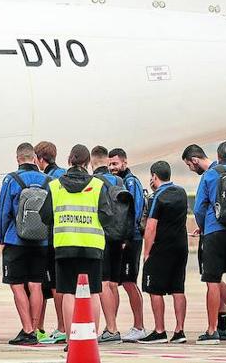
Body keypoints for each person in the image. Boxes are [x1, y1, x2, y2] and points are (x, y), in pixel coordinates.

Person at [39, 144, 110, 350]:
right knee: (94, 292)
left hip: (65, 247)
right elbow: (108, 216)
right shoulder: (97, 185)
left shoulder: (55, 186)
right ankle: (92, 339)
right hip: (92, 247)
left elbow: (44, 216)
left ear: (69, 160)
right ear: (87, 163)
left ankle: (72, 340)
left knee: (68, 292)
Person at [181, 144, 226, 338]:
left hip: (214, 232)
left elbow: (199, 208)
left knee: (213, 281)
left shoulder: (210, 175)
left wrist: (205, 227)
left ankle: (212, 330)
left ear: (218, 156)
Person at [0, 143, 50, 345]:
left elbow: (4, 213)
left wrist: (3, 238)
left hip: (15, 239)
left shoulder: (11, 179)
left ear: (18, 158)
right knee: (36, 284)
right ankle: (35, 330)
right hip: (41, 241)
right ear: (35, 158)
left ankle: (27, 329)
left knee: (17, 285)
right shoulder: (48, 180)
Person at [138, 161, 188, 344]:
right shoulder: (181, 192)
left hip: (161, 248)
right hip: (181, 246)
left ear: (154, 177)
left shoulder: (156, 197)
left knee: (154, 289)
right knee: (178, 288)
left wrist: (146, 253)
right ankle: (179, 330)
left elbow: (151, 227)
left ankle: (160, 330)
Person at [108, 148, 146, 342]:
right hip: (122, 238)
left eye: (115, 164)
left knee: (130, 282)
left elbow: (134, 212)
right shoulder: (118, 182)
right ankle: (111, 326)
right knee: (117, 282)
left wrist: (127, 238)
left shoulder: (131, 182)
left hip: (131, 239)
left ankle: (139, 326)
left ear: (124, 163)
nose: (112, 167)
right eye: (110, 164)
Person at [34, 141, 66, 344]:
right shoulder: (63, 173)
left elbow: (45, 211)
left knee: (52, 285)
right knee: (52, 286)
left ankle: (60, 327)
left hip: (50, 237)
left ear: (40, 159)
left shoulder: (48, 179)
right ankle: (44, 327)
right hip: (66, 236)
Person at [91, 145, 124, 343]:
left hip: (102, 236)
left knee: (102, 283)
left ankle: (112, 328)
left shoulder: (94, 182)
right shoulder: (119, 180)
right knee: (113, 284)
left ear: (93, 162)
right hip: (118, 236)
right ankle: (111, 325)